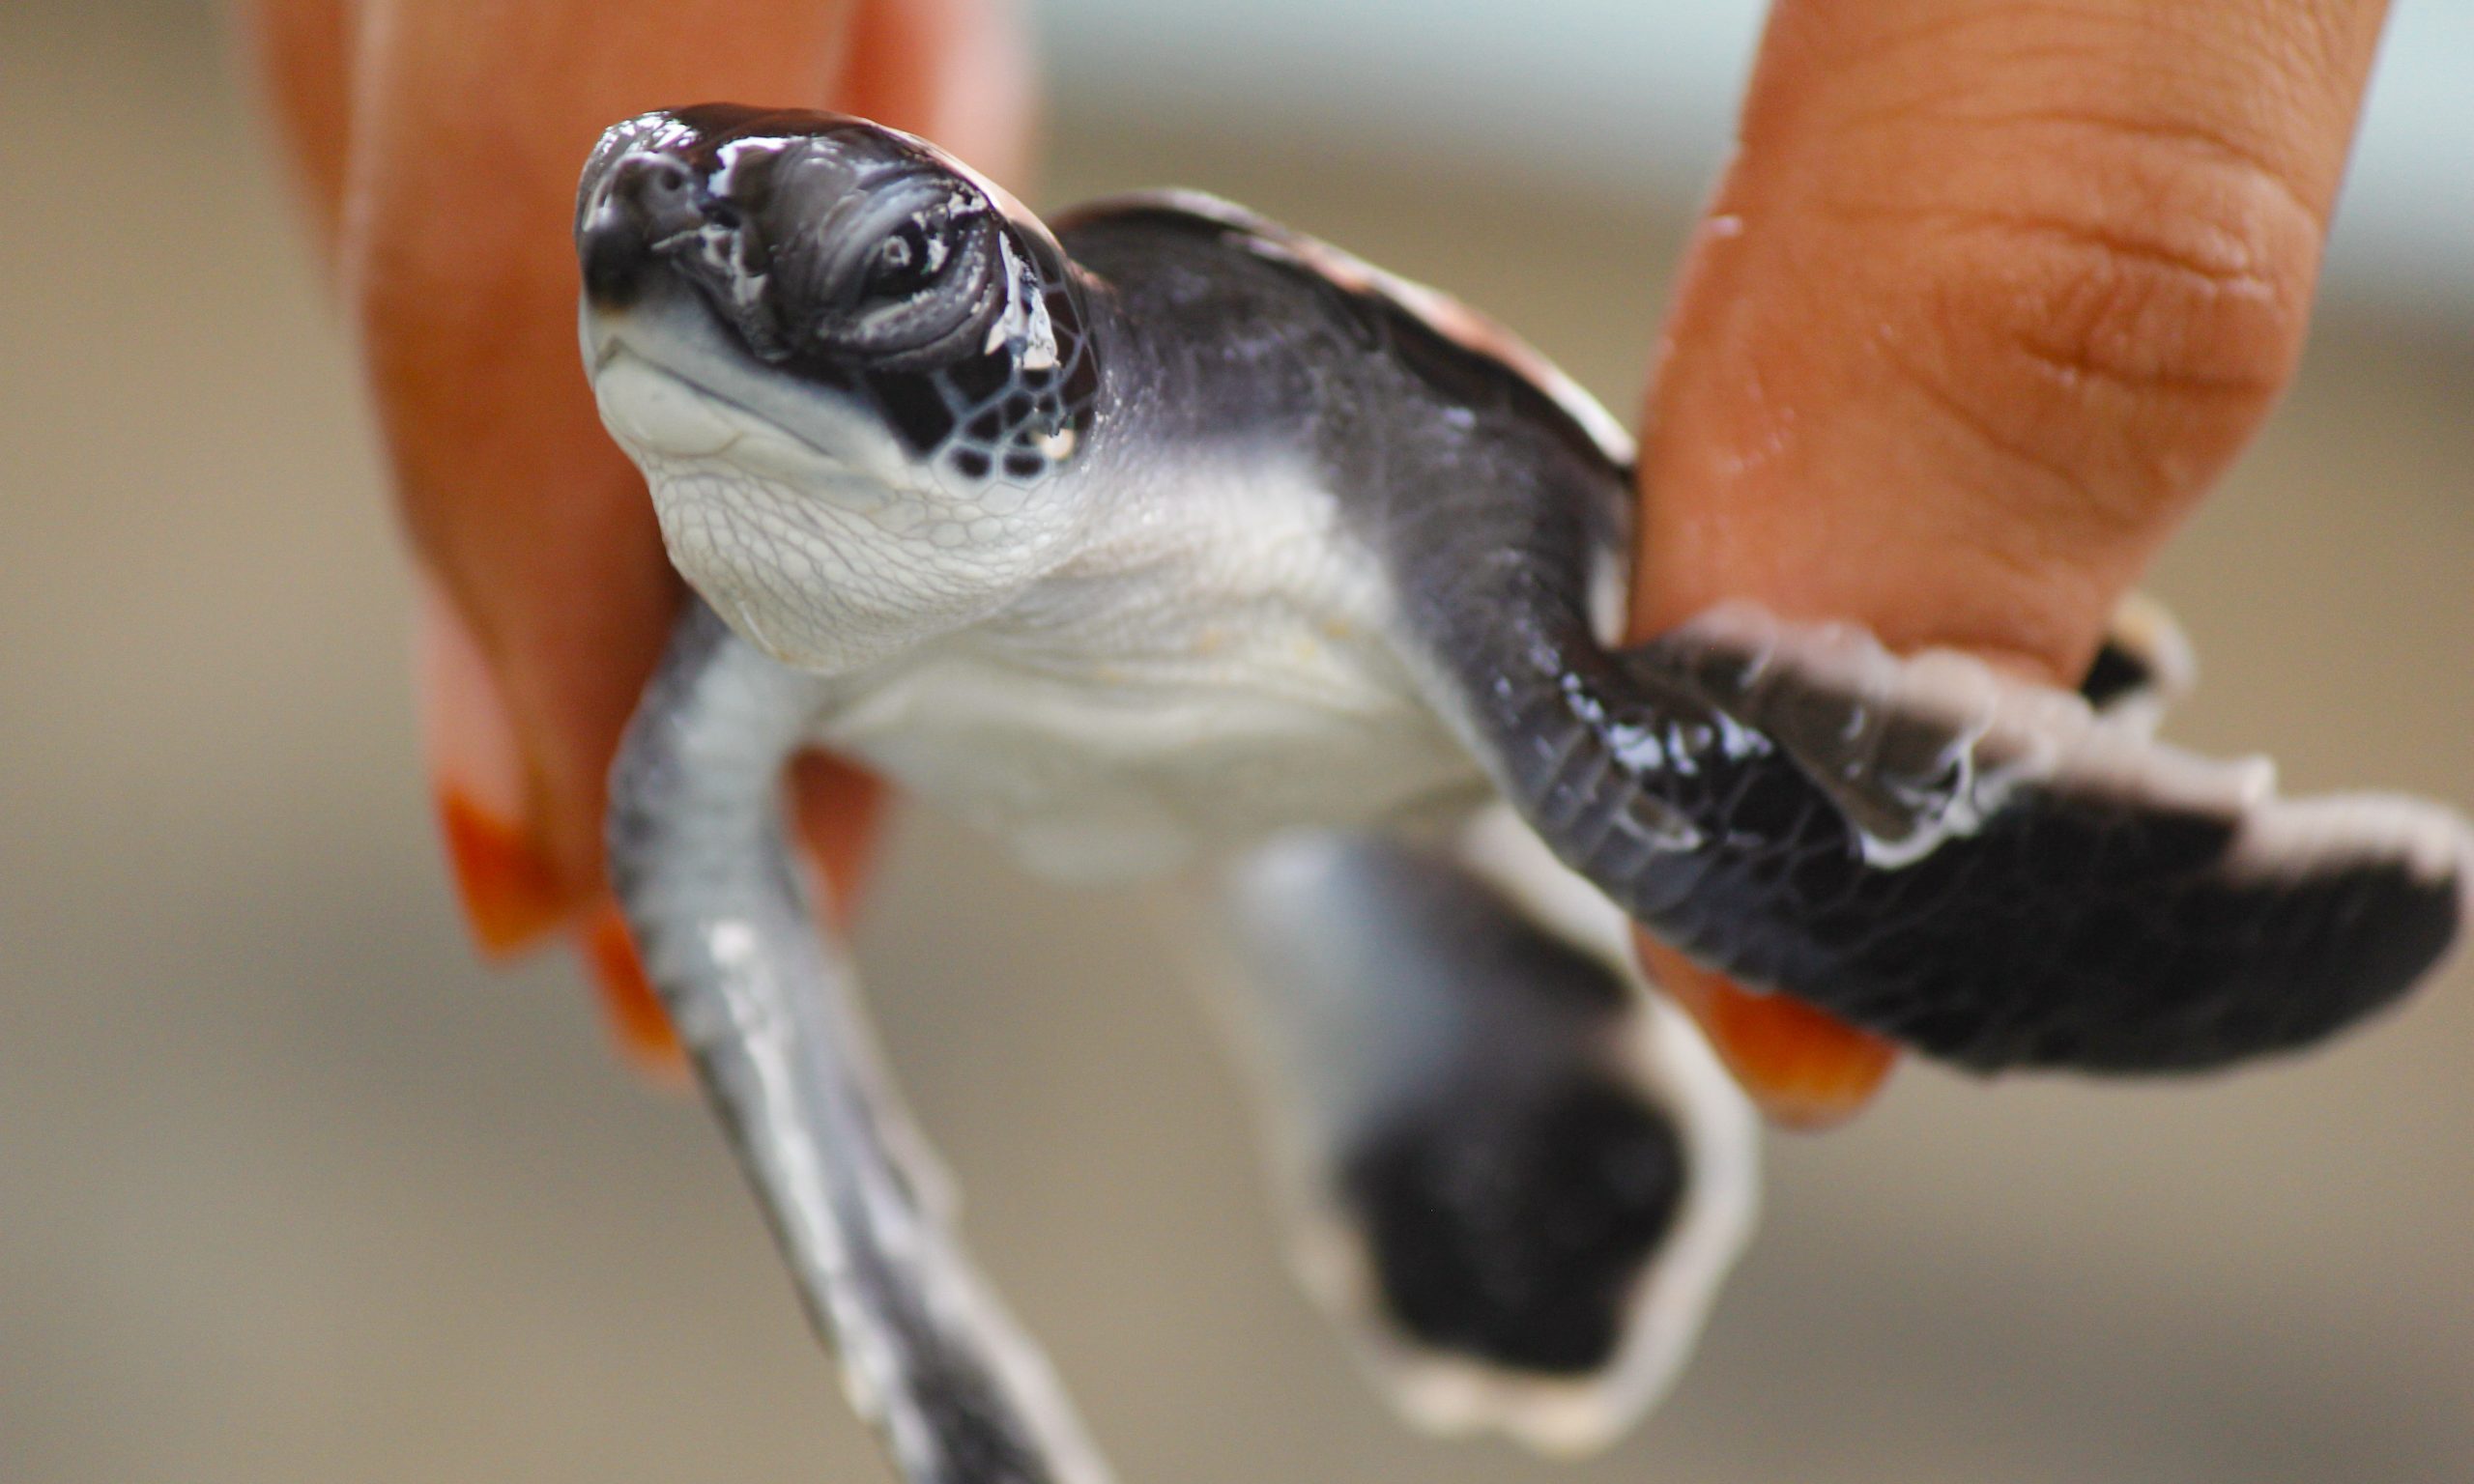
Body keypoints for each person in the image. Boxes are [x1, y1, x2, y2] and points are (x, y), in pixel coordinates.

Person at [242, 0, 2392, 1118]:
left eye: (890, 272)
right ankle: (1448, 1049)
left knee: (1664, 812)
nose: (689, 289)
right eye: (631, 248)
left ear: (1013, 333)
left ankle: (1494, 1011)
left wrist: (1950, 898)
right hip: (1017, 686)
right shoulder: (773, 575)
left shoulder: (1371, 475)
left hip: (1404, 594)